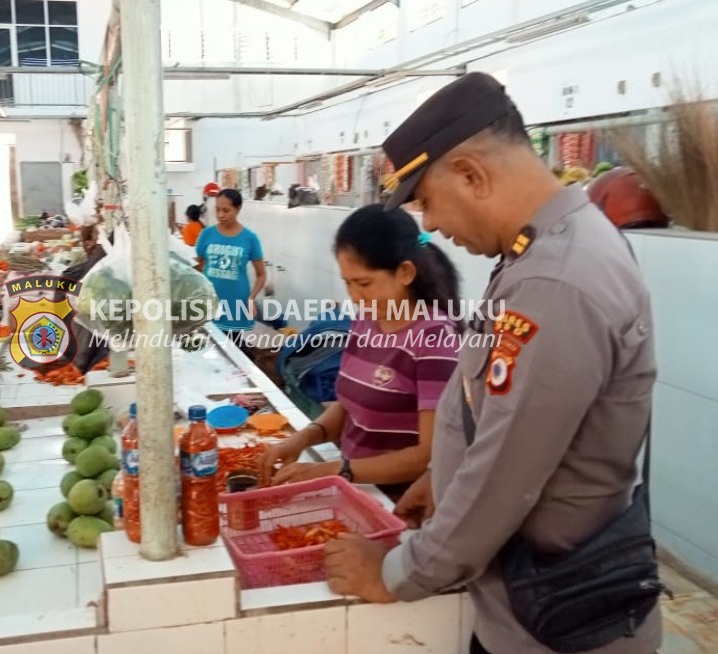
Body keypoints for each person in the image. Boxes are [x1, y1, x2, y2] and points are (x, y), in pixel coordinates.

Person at [323, 72, 663, 654]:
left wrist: (397, 572)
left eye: (426, 201)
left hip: (556, 622)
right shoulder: (542, 254)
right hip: (531, 604)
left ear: (471, 174)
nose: (428, 225)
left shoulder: (557, 280)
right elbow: (503, 412)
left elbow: (507, 473)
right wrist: (442, 476)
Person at [259, 204, 461, 502]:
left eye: (364, 283)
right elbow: (348, 406)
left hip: (400, 504)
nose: (354, 296)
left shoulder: (434, 339)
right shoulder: (366, 321)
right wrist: (302, 438)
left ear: (405, 272)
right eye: (347, 283)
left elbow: (428, 455)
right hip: (357, 490)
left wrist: (336, 470)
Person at [195, 189, 266, 348]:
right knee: (208, 349)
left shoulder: (249, 238)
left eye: (226, 210)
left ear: (238, 209)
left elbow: (261, 274)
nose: (221, 215)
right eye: (217, 210)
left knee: (233, 349)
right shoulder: (206, 235)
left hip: (236, 304)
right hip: (210, 304)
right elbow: (196, 268)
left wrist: (251, 297)